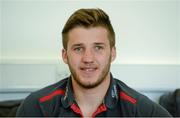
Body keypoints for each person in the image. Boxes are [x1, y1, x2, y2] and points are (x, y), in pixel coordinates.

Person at [16, 8, 171, 117]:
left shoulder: (144, 112)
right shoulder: (36, 108)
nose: (88, 58)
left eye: (98, 48)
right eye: (78, 49)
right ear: (65, 55)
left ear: (113, 53)